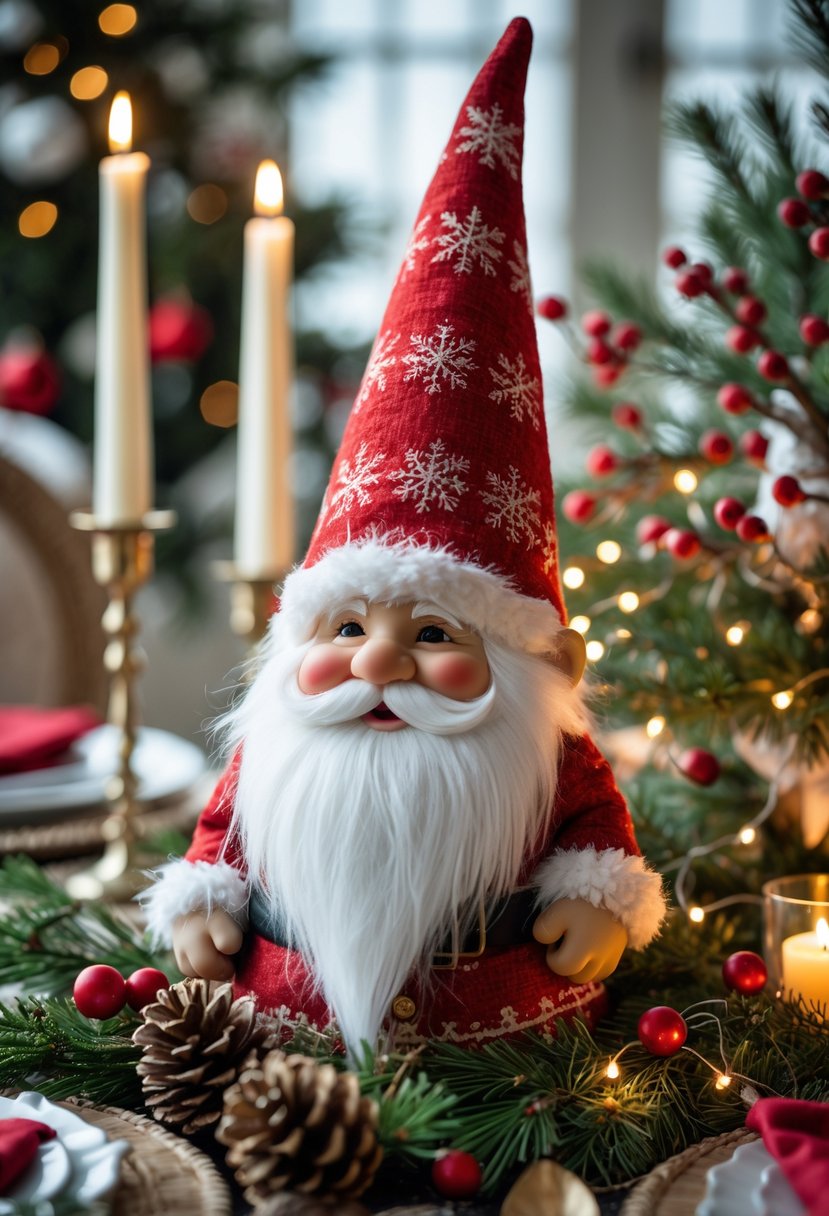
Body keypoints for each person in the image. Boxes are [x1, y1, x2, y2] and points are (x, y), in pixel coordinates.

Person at [141, 17, 666, 1054]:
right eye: (345, 625)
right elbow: (227, 826)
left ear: (531, 659)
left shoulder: (544, 752)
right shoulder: (286, 739)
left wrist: (600, 896)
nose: (376, 659)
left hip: (509, 1052)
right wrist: (205, 894)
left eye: (432, 634)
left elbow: (596, 829)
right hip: (285, 1048)